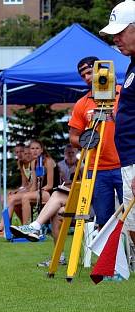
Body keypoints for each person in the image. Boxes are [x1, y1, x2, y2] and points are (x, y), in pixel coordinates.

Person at [67, 56, 123, 228]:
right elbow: (73, 137)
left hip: (125, 164)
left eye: (90, 72)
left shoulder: (124, 93)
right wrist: (86, 142)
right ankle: (107, 255)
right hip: (97, 168)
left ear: (101, 71)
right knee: (104, 221)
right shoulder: (82, 104)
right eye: (83, 75)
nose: (87, 78)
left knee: (131, 217)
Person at [100, 0, 135, 248]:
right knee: (132, 227)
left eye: (121, 32)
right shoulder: (132, 63)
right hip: (128, 161)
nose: (116, 39)